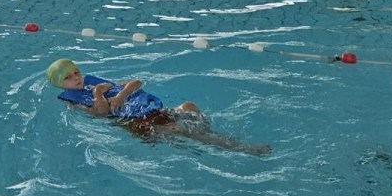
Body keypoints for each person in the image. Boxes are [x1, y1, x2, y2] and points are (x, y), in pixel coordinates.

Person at [46, 59, 270, 153]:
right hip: (135, 121)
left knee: (189, 106)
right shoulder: (73, 102)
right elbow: (101, 114)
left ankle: (201, 135)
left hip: (148, 111)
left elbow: (136, 82)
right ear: (60, 84)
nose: (76, 78)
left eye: (76, 72)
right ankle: (243, 148)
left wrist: (121, 93)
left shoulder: (98, 82)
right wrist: (98, 94)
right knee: (182, 131)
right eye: (68, 77)